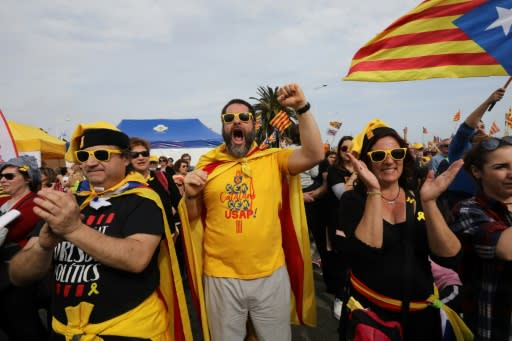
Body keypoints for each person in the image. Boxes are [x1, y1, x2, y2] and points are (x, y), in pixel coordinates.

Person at [8, 122, 191, 341]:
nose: (91, 163)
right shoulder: (69, 202)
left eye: (102, 154)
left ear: (125, 159)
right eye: (84, 156)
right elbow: (18, 275)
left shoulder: (142, 199)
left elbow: (136, 258)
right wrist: (43, 246)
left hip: (127, 331)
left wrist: (73, 229)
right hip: (62, 331)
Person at [179, 83, 322, 341]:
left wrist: (302, 107)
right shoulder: (207, 166)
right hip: (221, 277)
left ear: (254, 125)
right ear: (223, 127)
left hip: (270, 275)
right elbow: (193, 219)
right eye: (229, 118)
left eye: (244, 117)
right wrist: (190, 196)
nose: (237, 122)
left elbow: (314, 154)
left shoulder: (273, 159)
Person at [338, 119, 467, 340]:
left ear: (404, 157)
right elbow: (366, 252)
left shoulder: (418, 196)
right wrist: (374, 191)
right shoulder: (353, 200)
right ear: (366, 163)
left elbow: (450, 255)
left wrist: (429, 202)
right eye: (379, 156)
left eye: (396, 153)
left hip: (422, 318)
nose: (389, 161)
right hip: (372, 320)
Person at [450, 136, 512, 340]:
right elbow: (506, 248)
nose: (511, 174)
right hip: (494, 329)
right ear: (477, 171)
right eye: (501, 167)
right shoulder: (468, 209)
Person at [0, 155, 47, 340]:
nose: (2, 180)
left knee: (24, 327)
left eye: (9, 176)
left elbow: (13, 232)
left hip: (17, 276)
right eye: (1, 176)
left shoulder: (35, 202)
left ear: (28, 178)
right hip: (3, 274)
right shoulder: (3, 202)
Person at [445, 88, 505, 208]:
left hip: (489, 201)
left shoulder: (491, 149)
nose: (480, 129)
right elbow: (465, 129)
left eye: (482, 126)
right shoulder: (460, 147)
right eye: (476, 127)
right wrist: (488, 101)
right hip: (460, 201)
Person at [129, 137, 182, 236]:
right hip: (139, 243)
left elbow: (180, 205)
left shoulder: (163, 177)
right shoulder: (124, 184)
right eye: (135, 155)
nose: (141, 157)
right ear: (128, 159)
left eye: (145, 153)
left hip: (167, 242)